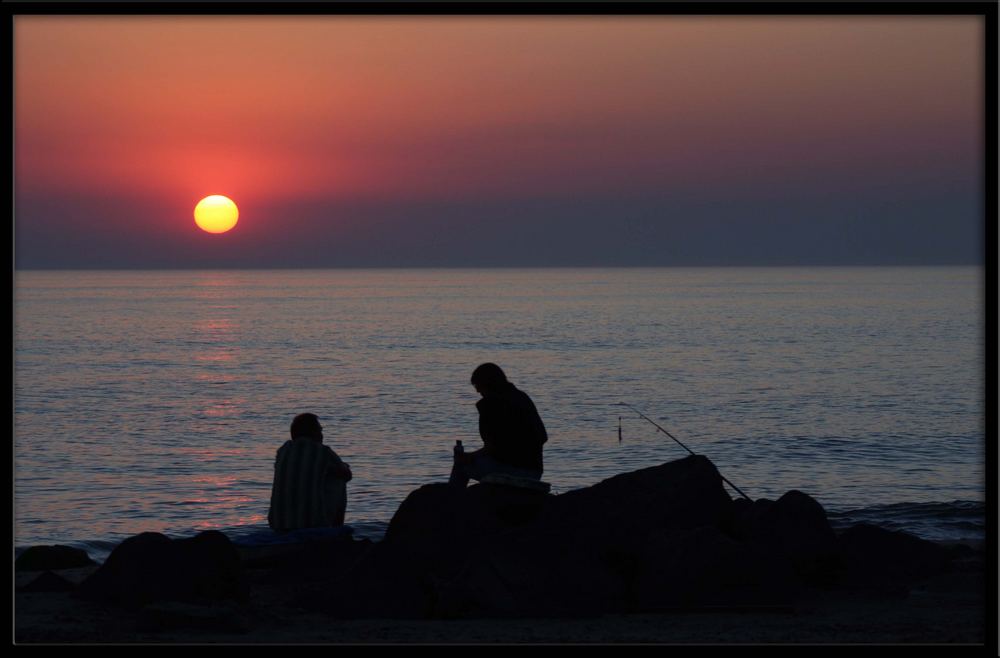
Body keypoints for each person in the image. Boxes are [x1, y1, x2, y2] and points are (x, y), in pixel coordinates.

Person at [449, 363, 548, 487]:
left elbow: (493, 447)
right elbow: (543, 436)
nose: (477, 390)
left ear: (487, 384)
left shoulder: (492, 405)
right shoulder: (521, 397)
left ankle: (452, 500)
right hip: (534, 472)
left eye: (477, 386)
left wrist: (469, 457)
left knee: (461, 465)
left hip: (512, 471)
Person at [268, 413, 353, 531]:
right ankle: (335, 530)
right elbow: (347, 475)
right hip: (312, 523)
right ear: (313, 432)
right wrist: (342, 467)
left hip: (278, 523)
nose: (322, 434)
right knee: (339, 479)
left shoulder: (283, 451)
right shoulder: (322, 451)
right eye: (320, 430)